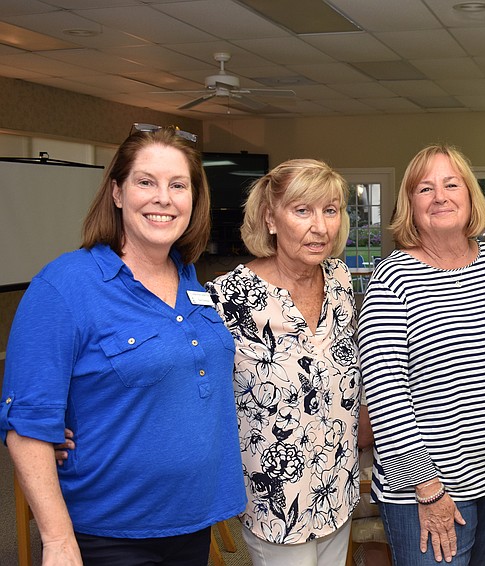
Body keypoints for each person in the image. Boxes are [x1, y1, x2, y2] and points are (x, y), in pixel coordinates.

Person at [0, 124, 246, 565]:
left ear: (194, 199)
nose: (163, 198)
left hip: (191, 521)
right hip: (108, 534)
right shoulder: (64, 286)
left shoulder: (191, 280)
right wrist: (57, 540)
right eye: (145, 182)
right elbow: (27, 422)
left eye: (178, 185)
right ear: (117, 192)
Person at [359, 144, 485, 565]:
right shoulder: (392, 281)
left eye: (451, 184)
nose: (440, 196)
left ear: (470, 195)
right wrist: (428, 487)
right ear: (410, 205)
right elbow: (387, 399)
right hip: (430, 488)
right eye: (425, 188)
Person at [206, 159, 361, 565]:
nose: (321, 227)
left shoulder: (341, 281)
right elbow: (193, 383)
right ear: (270, 219)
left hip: (337, 484)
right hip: (275, 499)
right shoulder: (228, 296)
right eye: (302, 210)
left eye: (330, 210)